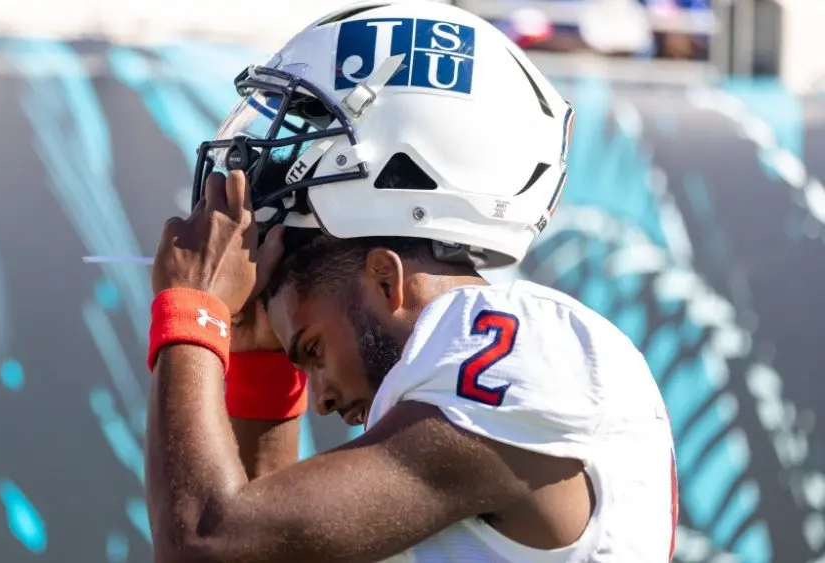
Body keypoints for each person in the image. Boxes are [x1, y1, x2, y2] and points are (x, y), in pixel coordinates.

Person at [145, 1, 678, 562]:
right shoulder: (492, 365)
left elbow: (205, 544)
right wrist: (261, 362)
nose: (321, 399)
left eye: (313, 349)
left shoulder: (514, 349)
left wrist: (191, 309)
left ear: (384, 278)